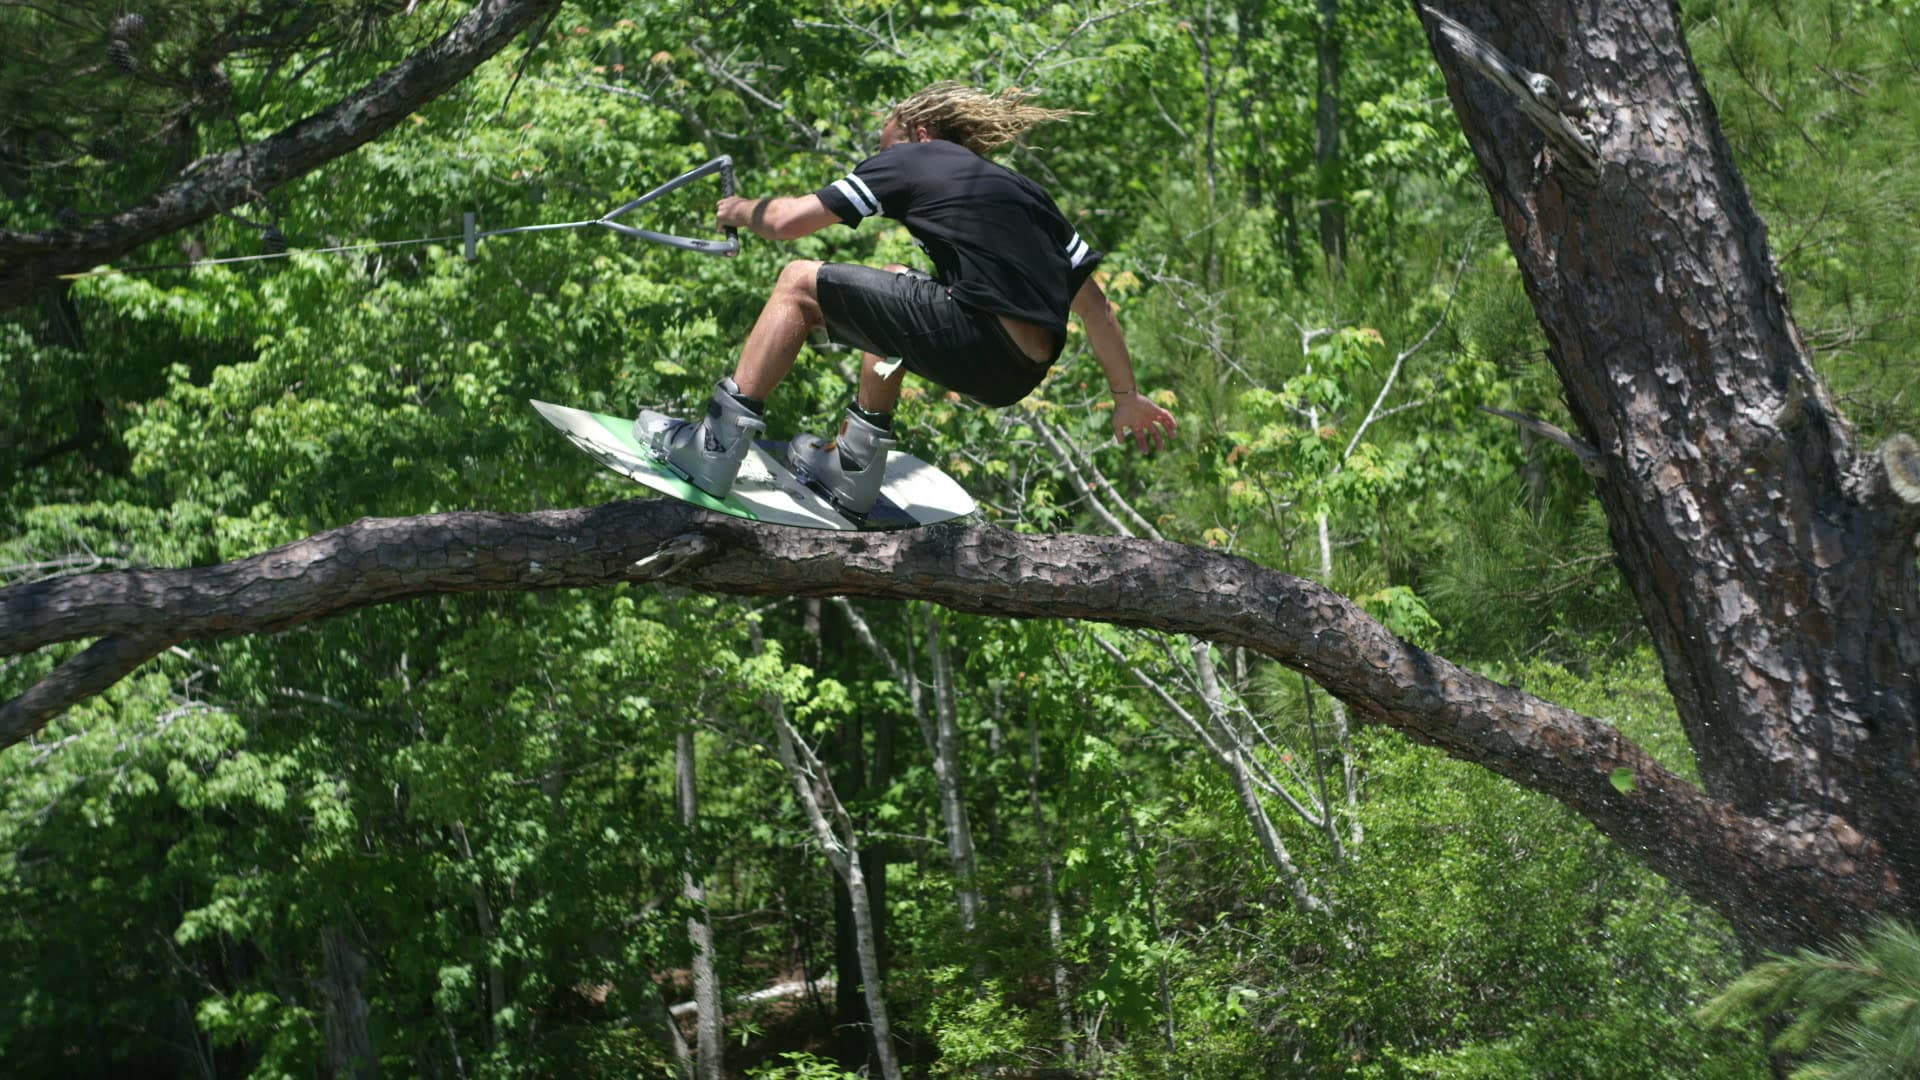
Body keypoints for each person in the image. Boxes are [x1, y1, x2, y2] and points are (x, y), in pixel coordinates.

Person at [635, 82, 1176, 517]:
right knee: (896, 277)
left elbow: (783, 222)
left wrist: (738, 211)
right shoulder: (1026, 193)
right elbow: (1097, 310)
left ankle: (714, 446)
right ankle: (853, 465)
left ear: (918, 133)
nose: (878, 156)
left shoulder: (913, 159)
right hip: (1016, 376)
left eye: (883, 141)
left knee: (798, 280)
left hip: (972, 333)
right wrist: (1125, 395)